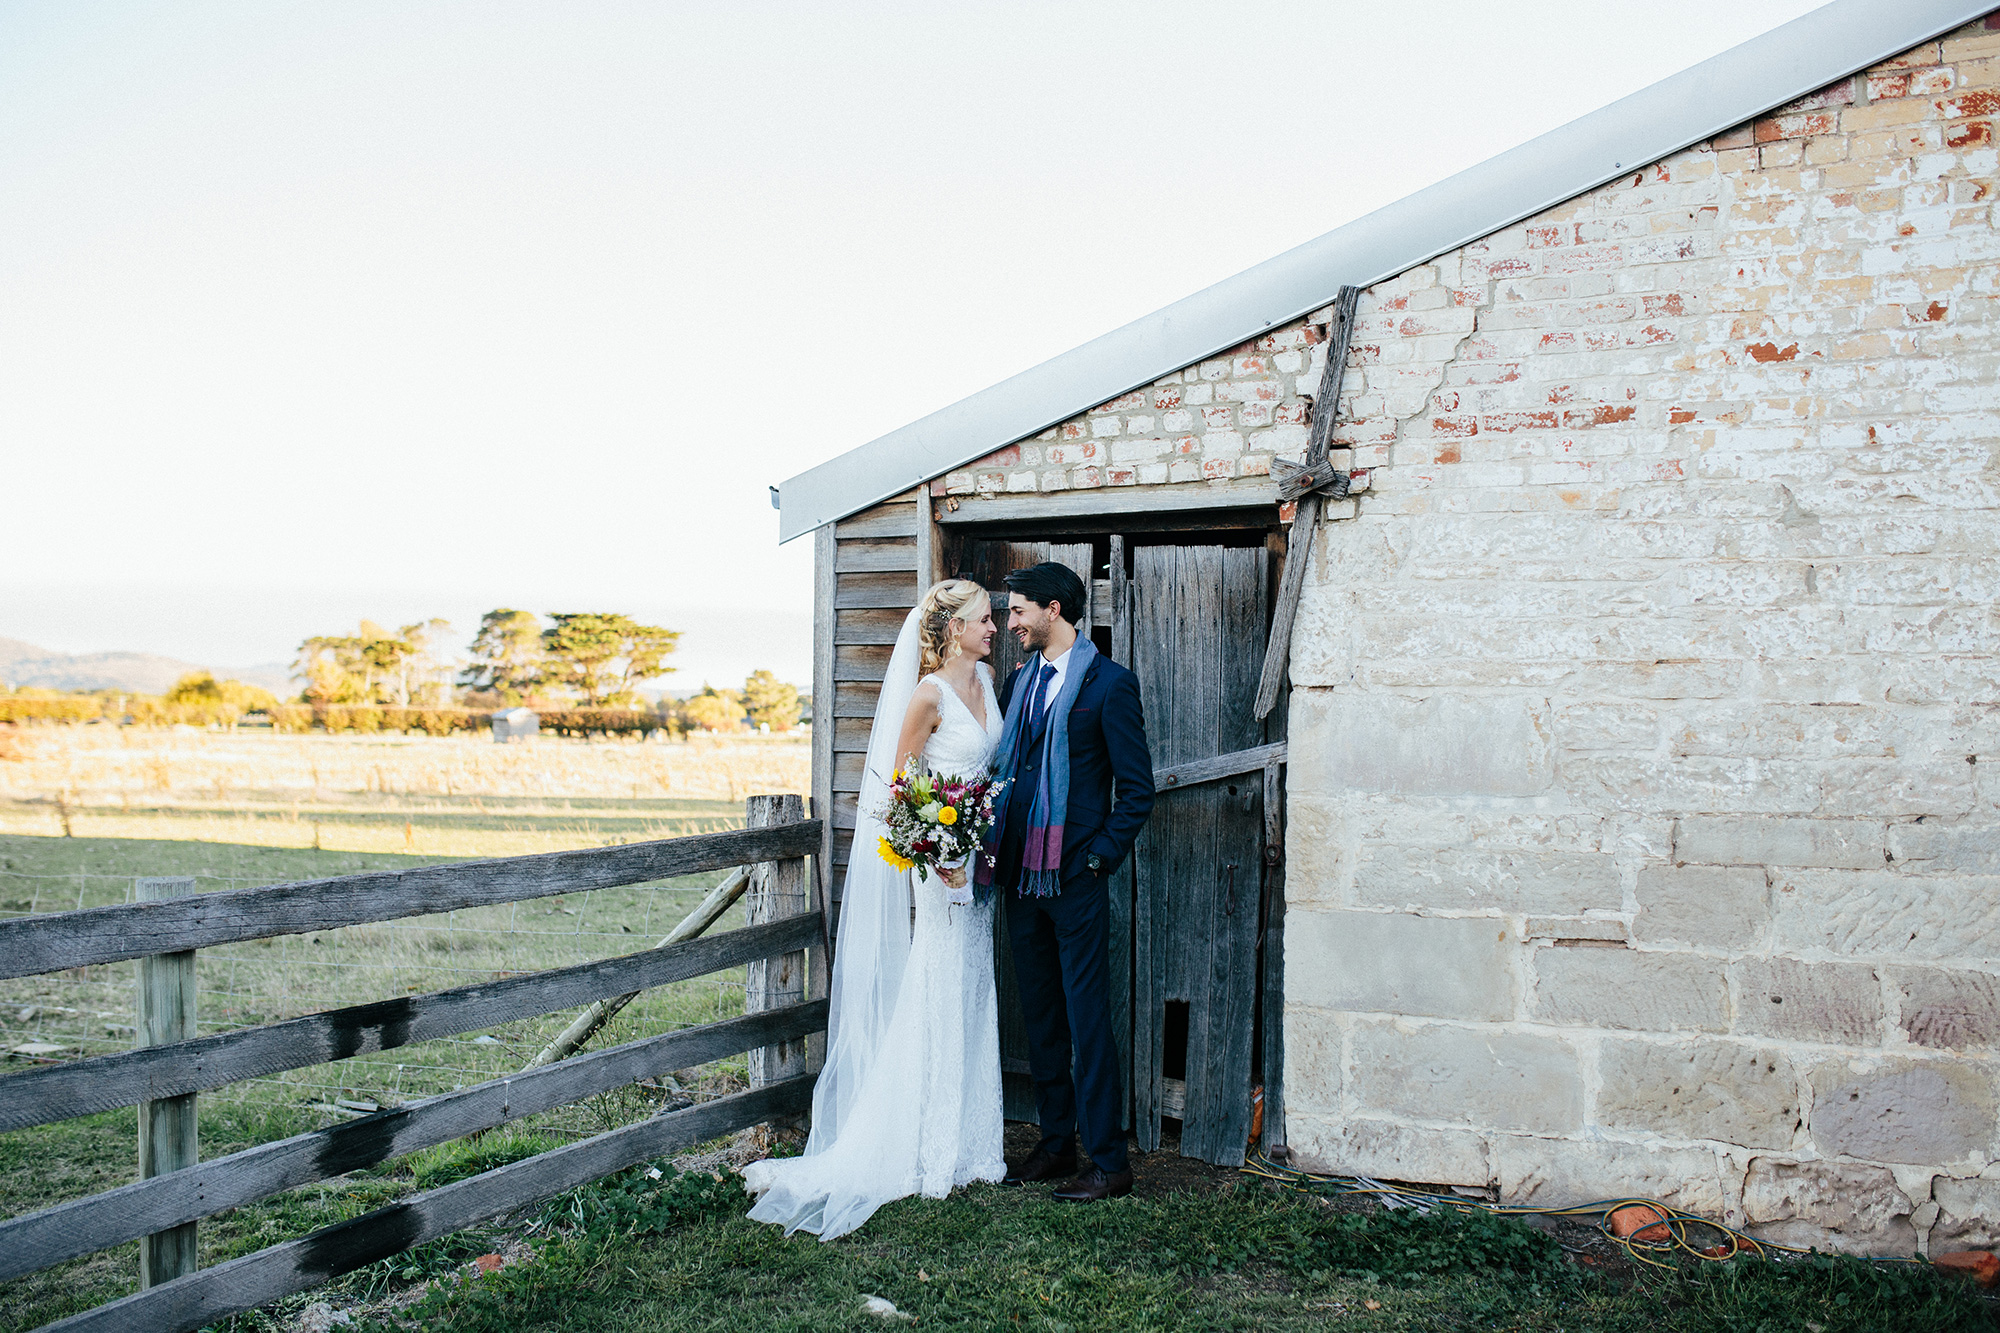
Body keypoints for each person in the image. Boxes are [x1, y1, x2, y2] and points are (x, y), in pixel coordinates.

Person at [742, 579, 1006, 1239]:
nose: (994, 627)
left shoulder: (989, 682)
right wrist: (937, 849)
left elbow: (986, 772)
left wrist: (975, 834)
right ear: (953, 628)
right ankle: (926, 1145)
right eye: (983, 619)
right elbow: (899, 791)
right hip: (939, 864)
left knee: (974, 986)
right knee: (940, 985)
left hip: (977, 857)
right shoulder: (928, 695)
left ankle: (973, 1142)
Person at [981, 561, 1155, 1203]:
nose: (1011, 623)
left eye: (1019, 610)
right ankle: (1056, 1146)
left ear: (1053, 610)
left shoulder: (1110, 685)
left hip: (1074, 877)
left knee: (1087, 1020)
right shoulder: (1021, 682)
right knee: (1043, 1017)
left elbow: (1138, 791)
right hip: (1021, 877)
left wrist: (1096, 857)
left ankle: (1109, 1162)